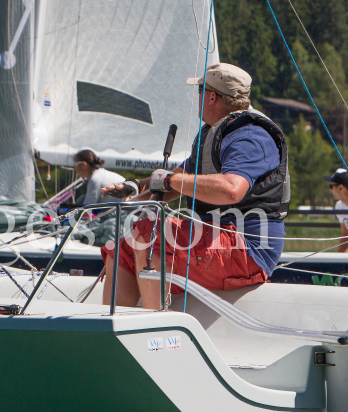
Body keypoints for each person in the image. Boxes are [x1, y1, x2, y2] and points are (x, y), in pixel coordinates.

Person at [99, 63, 290, 309]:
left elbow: (231, 189)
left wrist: (169, 180)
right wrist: (136, 187)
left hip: (249, 249)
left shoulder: (250, 137)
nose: (197, 97)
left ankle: (153, 330)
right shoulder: (214, 134)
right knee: (123, 247)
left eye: (200, 90)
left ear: (212, 97)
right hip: (214, 242)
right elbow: (176, 182)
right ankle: (112, 329)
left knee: (148, 232)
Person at [72, 150, 128, 246]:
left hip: (124, 215)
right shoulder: (99, 175)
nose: (75, 168)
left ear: (83, 164)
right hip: (124, 213)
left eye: (76, 164)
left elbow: (87, 210)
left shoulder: (95, 179)